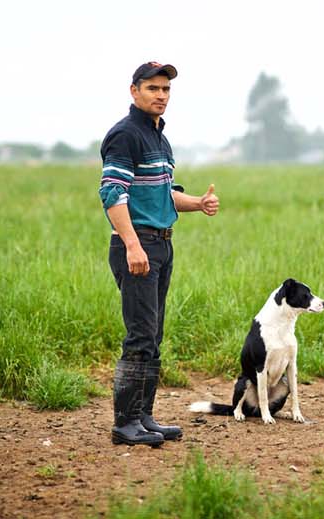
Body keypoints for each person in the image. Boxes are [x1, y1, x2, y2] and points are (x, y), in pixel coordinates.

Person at [98, 61, 219, 447]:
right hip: (139, 245)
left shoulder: (159, 138)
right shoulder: (125, 135)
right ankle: (125, 423)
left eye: (165, 90)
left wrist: (198, 202)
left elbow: (165, 193)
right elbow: (113, 193)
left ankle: (144, 416)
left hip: (162, 244)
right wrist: (132, 244)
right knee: (139, 335)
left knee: (154, 334)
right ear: (134, 91)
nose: (161, 96)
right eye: (153, 88)